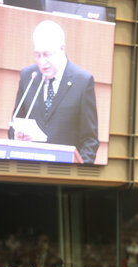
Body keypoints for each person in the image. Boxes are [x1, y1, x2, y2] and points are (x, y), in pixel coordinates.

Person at [9, 20, 99, 164]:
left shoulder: (82, 81)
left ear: (62, 49)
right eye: (37, 55)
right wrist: (16, 136)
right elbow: (14, 125)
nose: (42, 62)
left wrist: (81, 174)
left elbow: (90, 140)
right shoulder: (28, 76)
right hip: (29, 168)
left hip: (64, 173)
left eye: (47, 55)